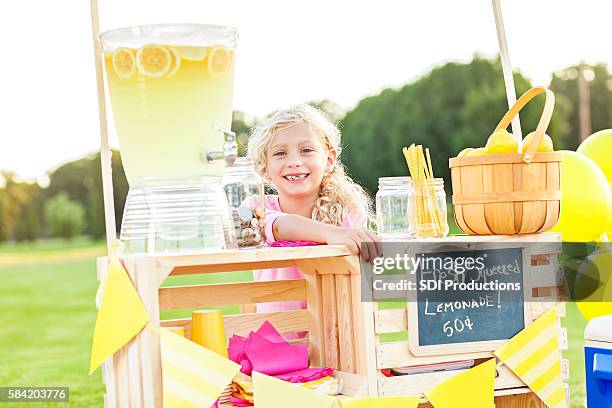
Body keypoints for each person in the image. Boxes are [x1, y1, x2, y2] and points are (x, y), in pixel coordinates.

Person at [247, 104, 381, 312]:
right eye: (280, 153)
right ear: (264, 167)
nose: (294, 161)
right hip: (278, 338)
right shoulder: (257, 207)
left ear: (328, 160)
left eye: (306, 150)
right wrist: (332, 234)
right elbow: (279, 227)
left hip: (336, 334)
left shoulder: (346, 213)